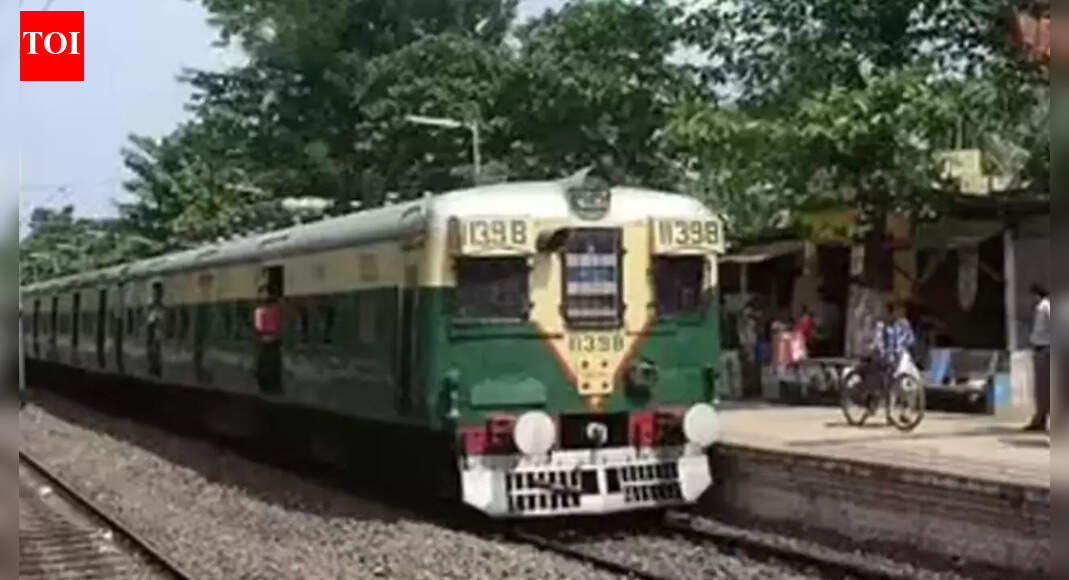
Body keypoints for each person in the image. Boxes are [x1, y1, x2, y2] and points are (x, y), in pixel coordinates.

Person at [1023, 283, 1050, 432]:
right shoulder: (1040, 308)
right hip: (1040, 350)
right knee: (1041, 388)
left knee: (1045, 387)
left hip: (1046, 350)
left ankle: (1042, 419)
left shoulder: (1046, 307)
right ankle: (1040, 418)